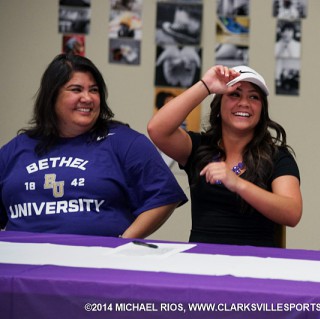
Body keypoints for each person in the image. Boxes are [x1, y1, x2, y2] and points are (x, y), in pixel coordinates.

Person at [0, 53, 187, 238]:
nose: (88, 98)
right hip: (23, 260)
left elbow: (164, 196)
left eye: (94, 90)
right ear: (52, 96)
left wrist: (124, 241)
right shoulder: (15, 149)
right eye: (76, 89)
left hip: (96, 262)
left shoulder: (125, 142)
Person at [147, 65, 302, 247]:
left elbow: (292, 213)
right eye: (234, 94)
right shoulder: (199, 148)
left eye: (254, 97)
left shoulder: (277, 157)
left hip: (256, 264)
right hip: (201, 262)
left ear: (262, 110)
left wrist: (237, 184)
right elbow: (156, 129)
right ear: (219, 105)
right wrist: (205, 86)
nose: (244, 103)